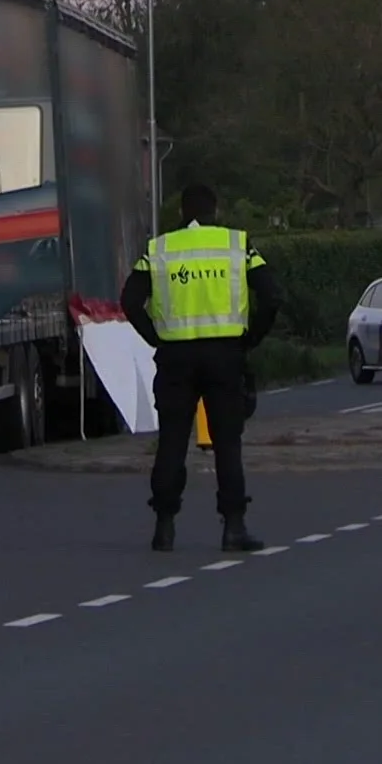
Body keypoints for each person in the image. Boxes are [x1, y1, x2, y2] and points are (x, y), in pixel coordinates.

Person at [119, 184, 282, 554]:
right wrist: (251, 338)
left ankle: (164, 526)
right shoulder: (237, 244)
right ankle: (234, 527)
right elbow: (272, 295)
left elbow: (129, 301)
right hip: (225, 355)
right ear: (215, 209)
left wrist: (156, 337)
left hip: (175, 357)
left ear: (182, 212)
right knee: (227, 442)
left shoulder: (159, 249)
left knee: (172, 441)